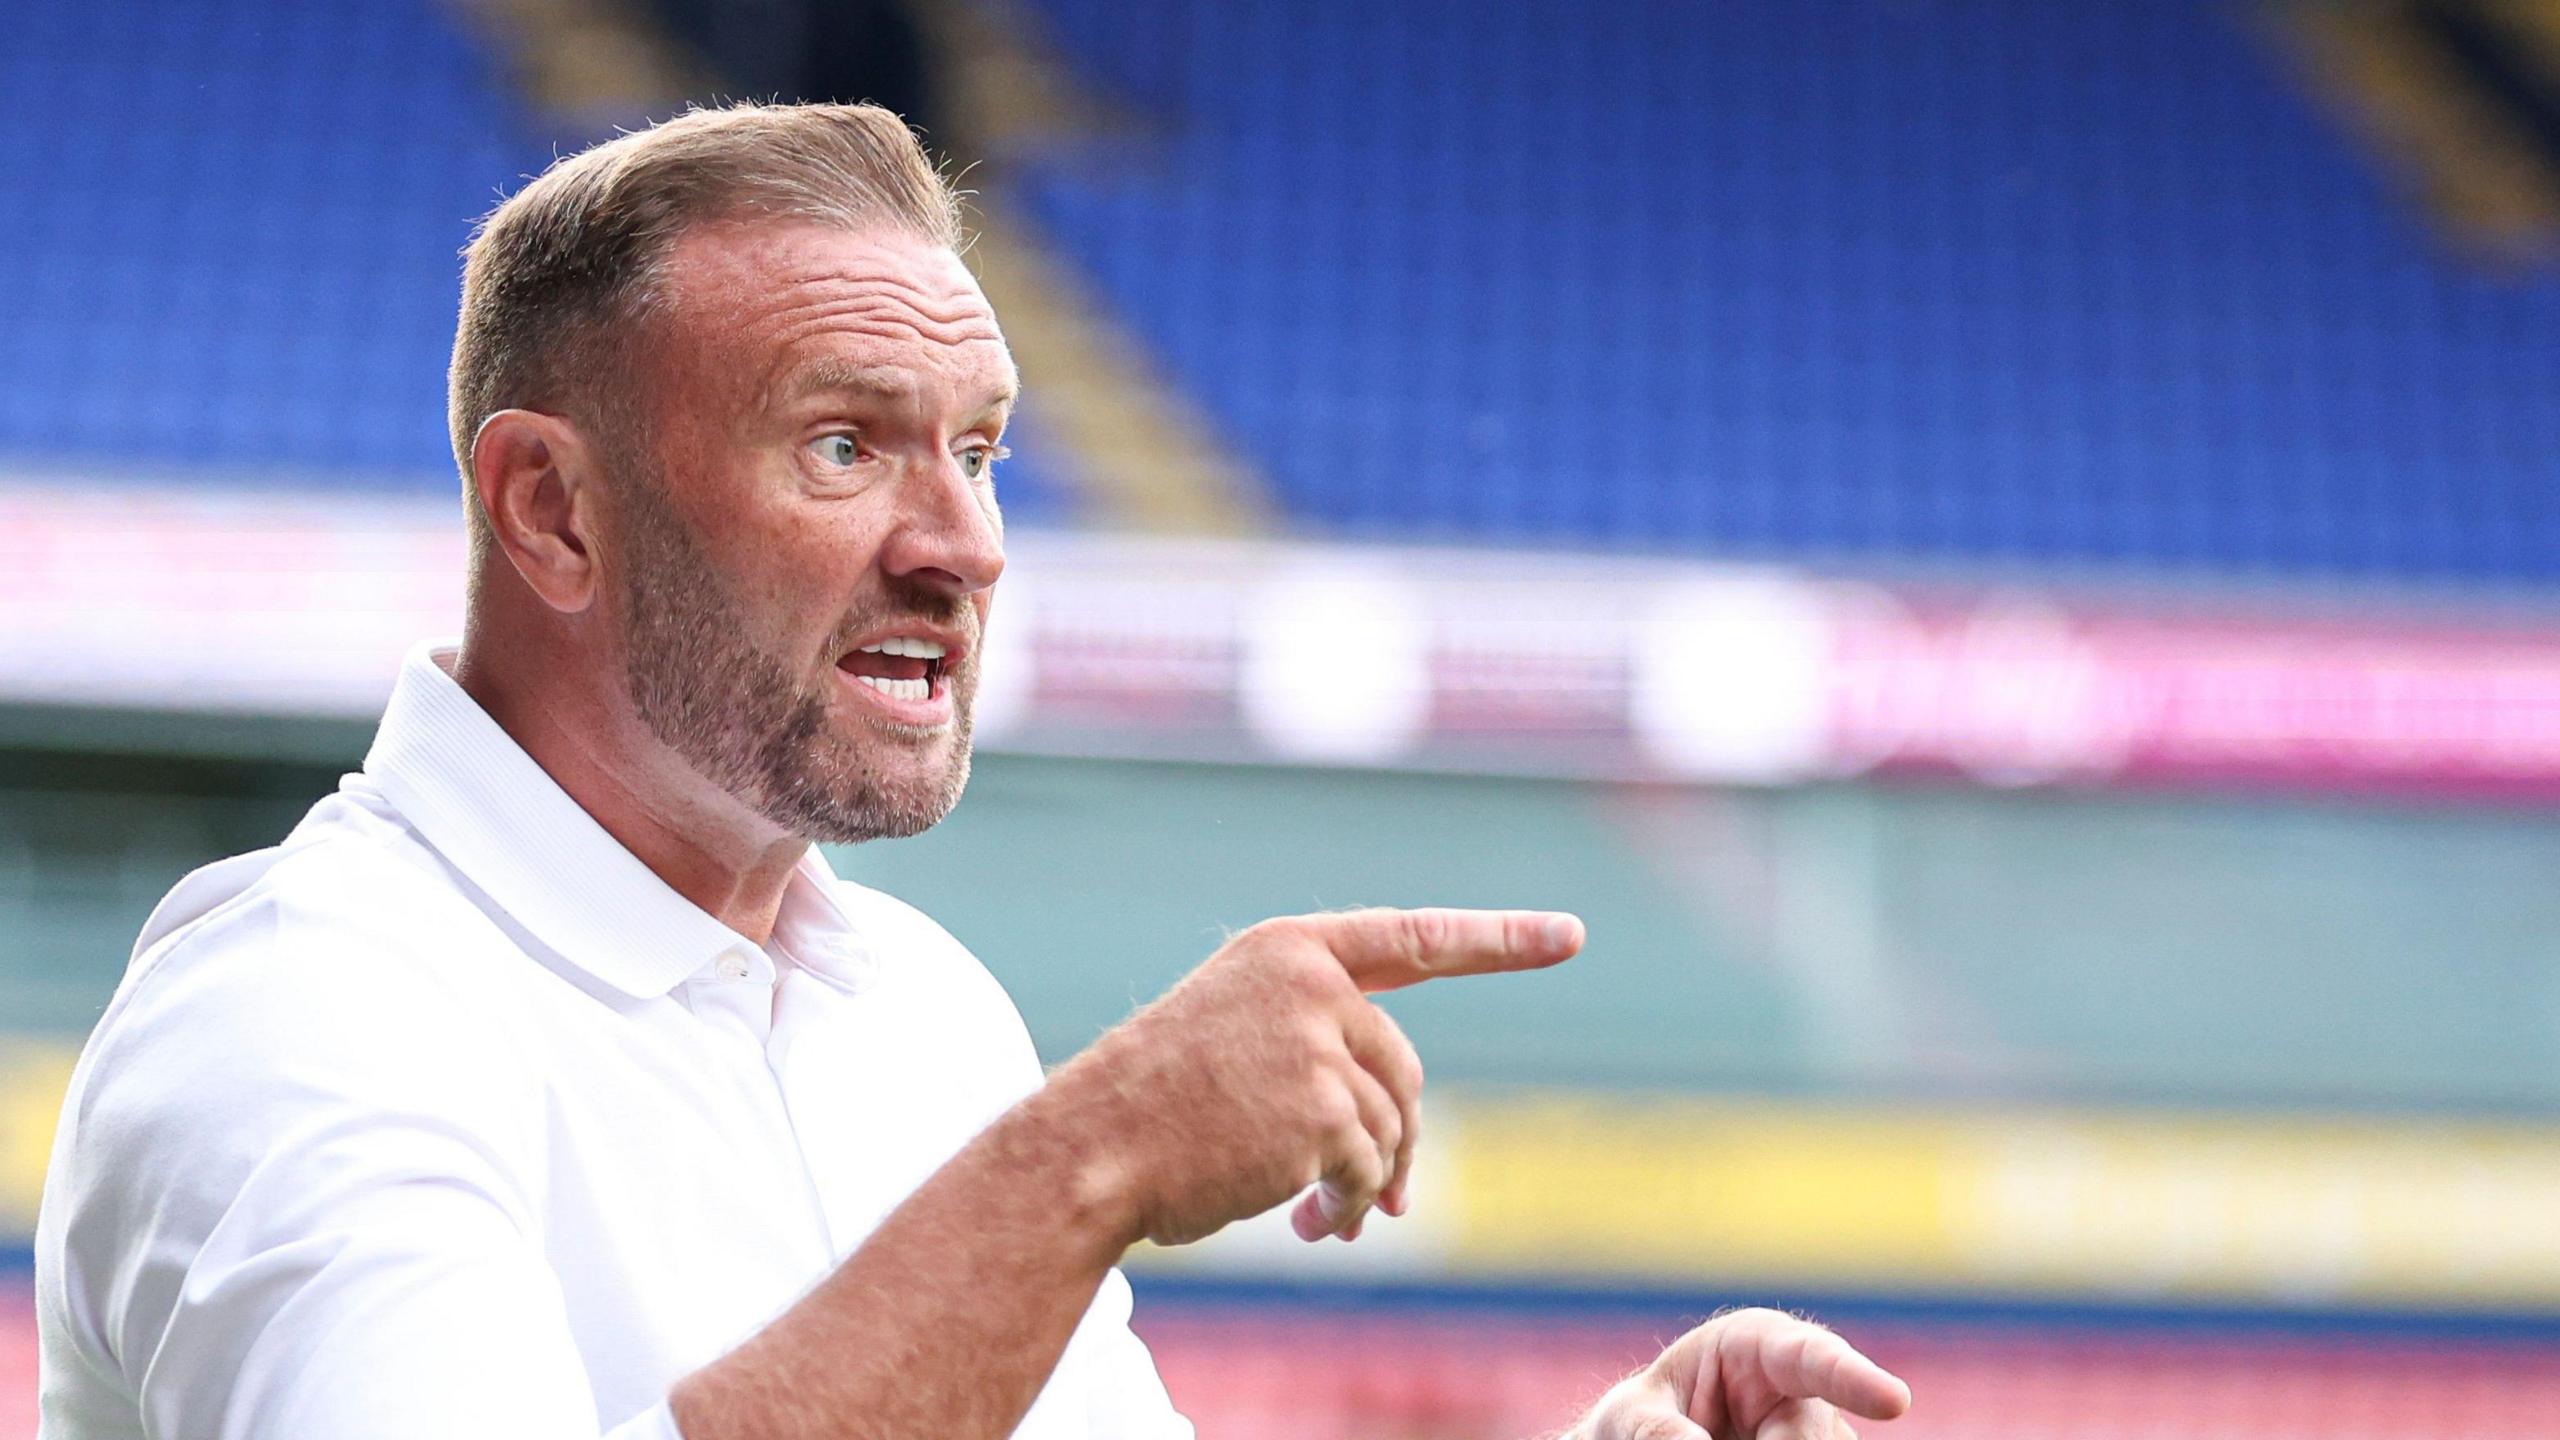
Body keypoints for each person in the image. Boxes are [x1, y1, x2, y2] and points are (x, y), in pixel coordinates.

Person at [32, 102, 1914, 1440]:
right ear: (552, 509)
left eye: (986, 451)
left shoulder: (919, 1010)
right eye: (846, 445)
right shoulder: (308, 1012)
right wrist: (1087, 1161)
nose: (965, 544)